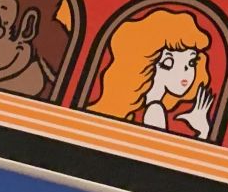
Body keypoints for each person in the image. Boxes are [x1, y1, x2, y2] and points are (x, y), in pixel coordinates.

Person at [89, 7, 217, 139]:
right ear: (147, 64)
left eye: (191, 62)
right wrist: (203, 131)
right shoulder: (154, 110)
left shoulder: (140, 108)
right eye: (168, 62)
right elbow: (163, 152)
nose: (185, 71)